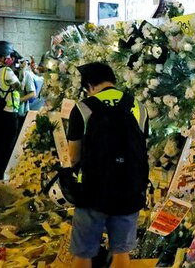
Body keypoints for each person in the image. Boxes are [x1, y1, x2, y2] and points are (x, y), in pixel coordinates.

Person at [67, 62, 148, 268]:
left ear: (89, 85)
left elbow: (74, 156)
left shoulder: (83, 108)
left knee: (83, 253)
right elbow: (141, 147)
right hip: (129, 188)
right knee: (121, 252)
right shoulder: (137, 106)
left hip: (92, 190)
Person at [0, 41, 22, 181]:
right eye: (8, 55)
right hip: (9, 112)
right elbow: (18, 86)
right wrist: (20, 70)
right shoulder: (6, 71)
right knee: (7, 145)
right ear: (4, 56)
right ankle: (0, 174)